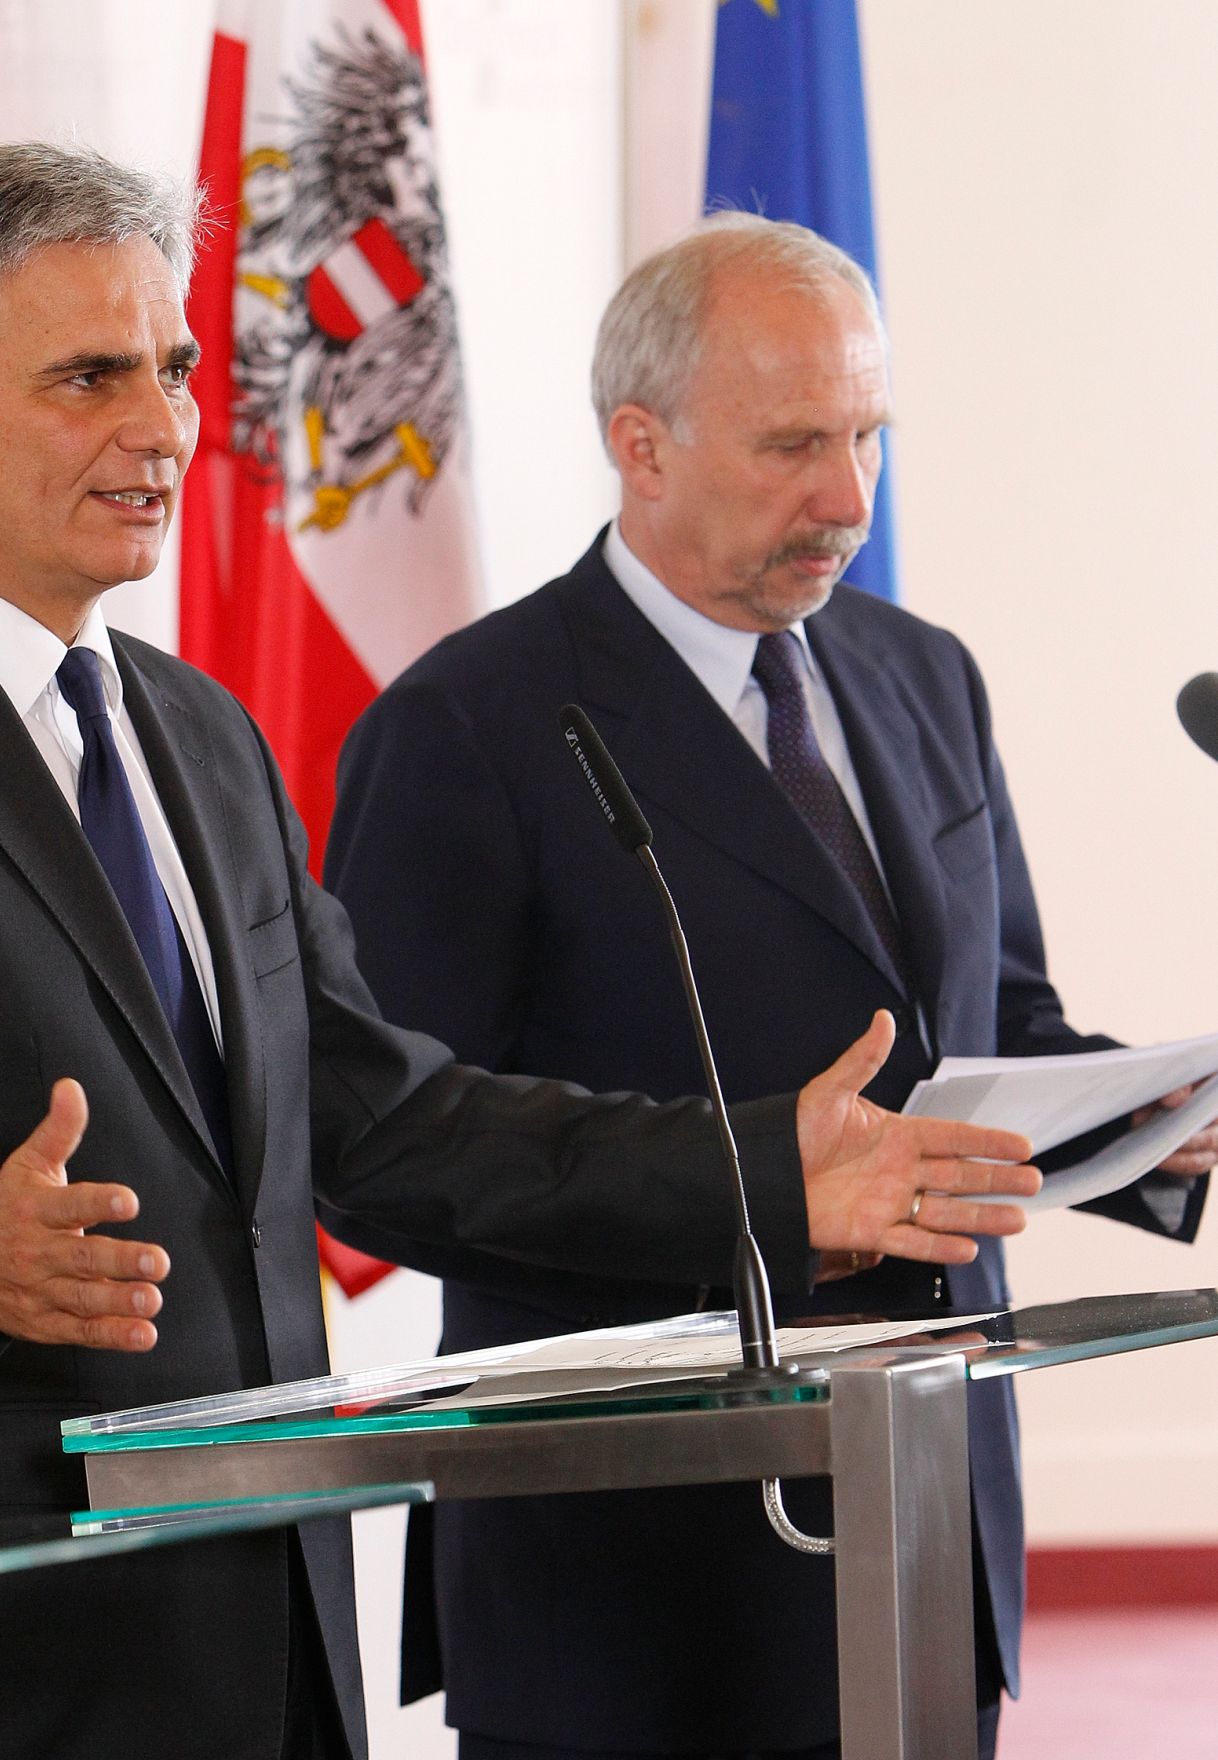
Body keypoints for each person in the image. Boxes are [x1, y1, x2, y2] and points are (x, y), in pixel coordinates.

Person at [0, 155, 1038, 1760]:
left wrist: (759, 1172)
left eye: (170, 370)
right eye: (90, 376)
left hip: (266, 1641)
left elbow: (385, 1124)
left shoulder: (197, 733)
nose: (162, 429)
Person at [325, 213, 1216, 1760]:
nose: (848, 498)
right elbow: (389, 1159)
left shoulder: (918, 670)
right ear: (639, 445)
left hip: (921, 1516)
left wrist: (1156, 1115)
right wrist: (758, 1185)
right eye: (795, 444)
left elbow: (991, 1026)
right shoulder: (467, 722)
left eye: (870, 434)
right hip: (629, 1572)